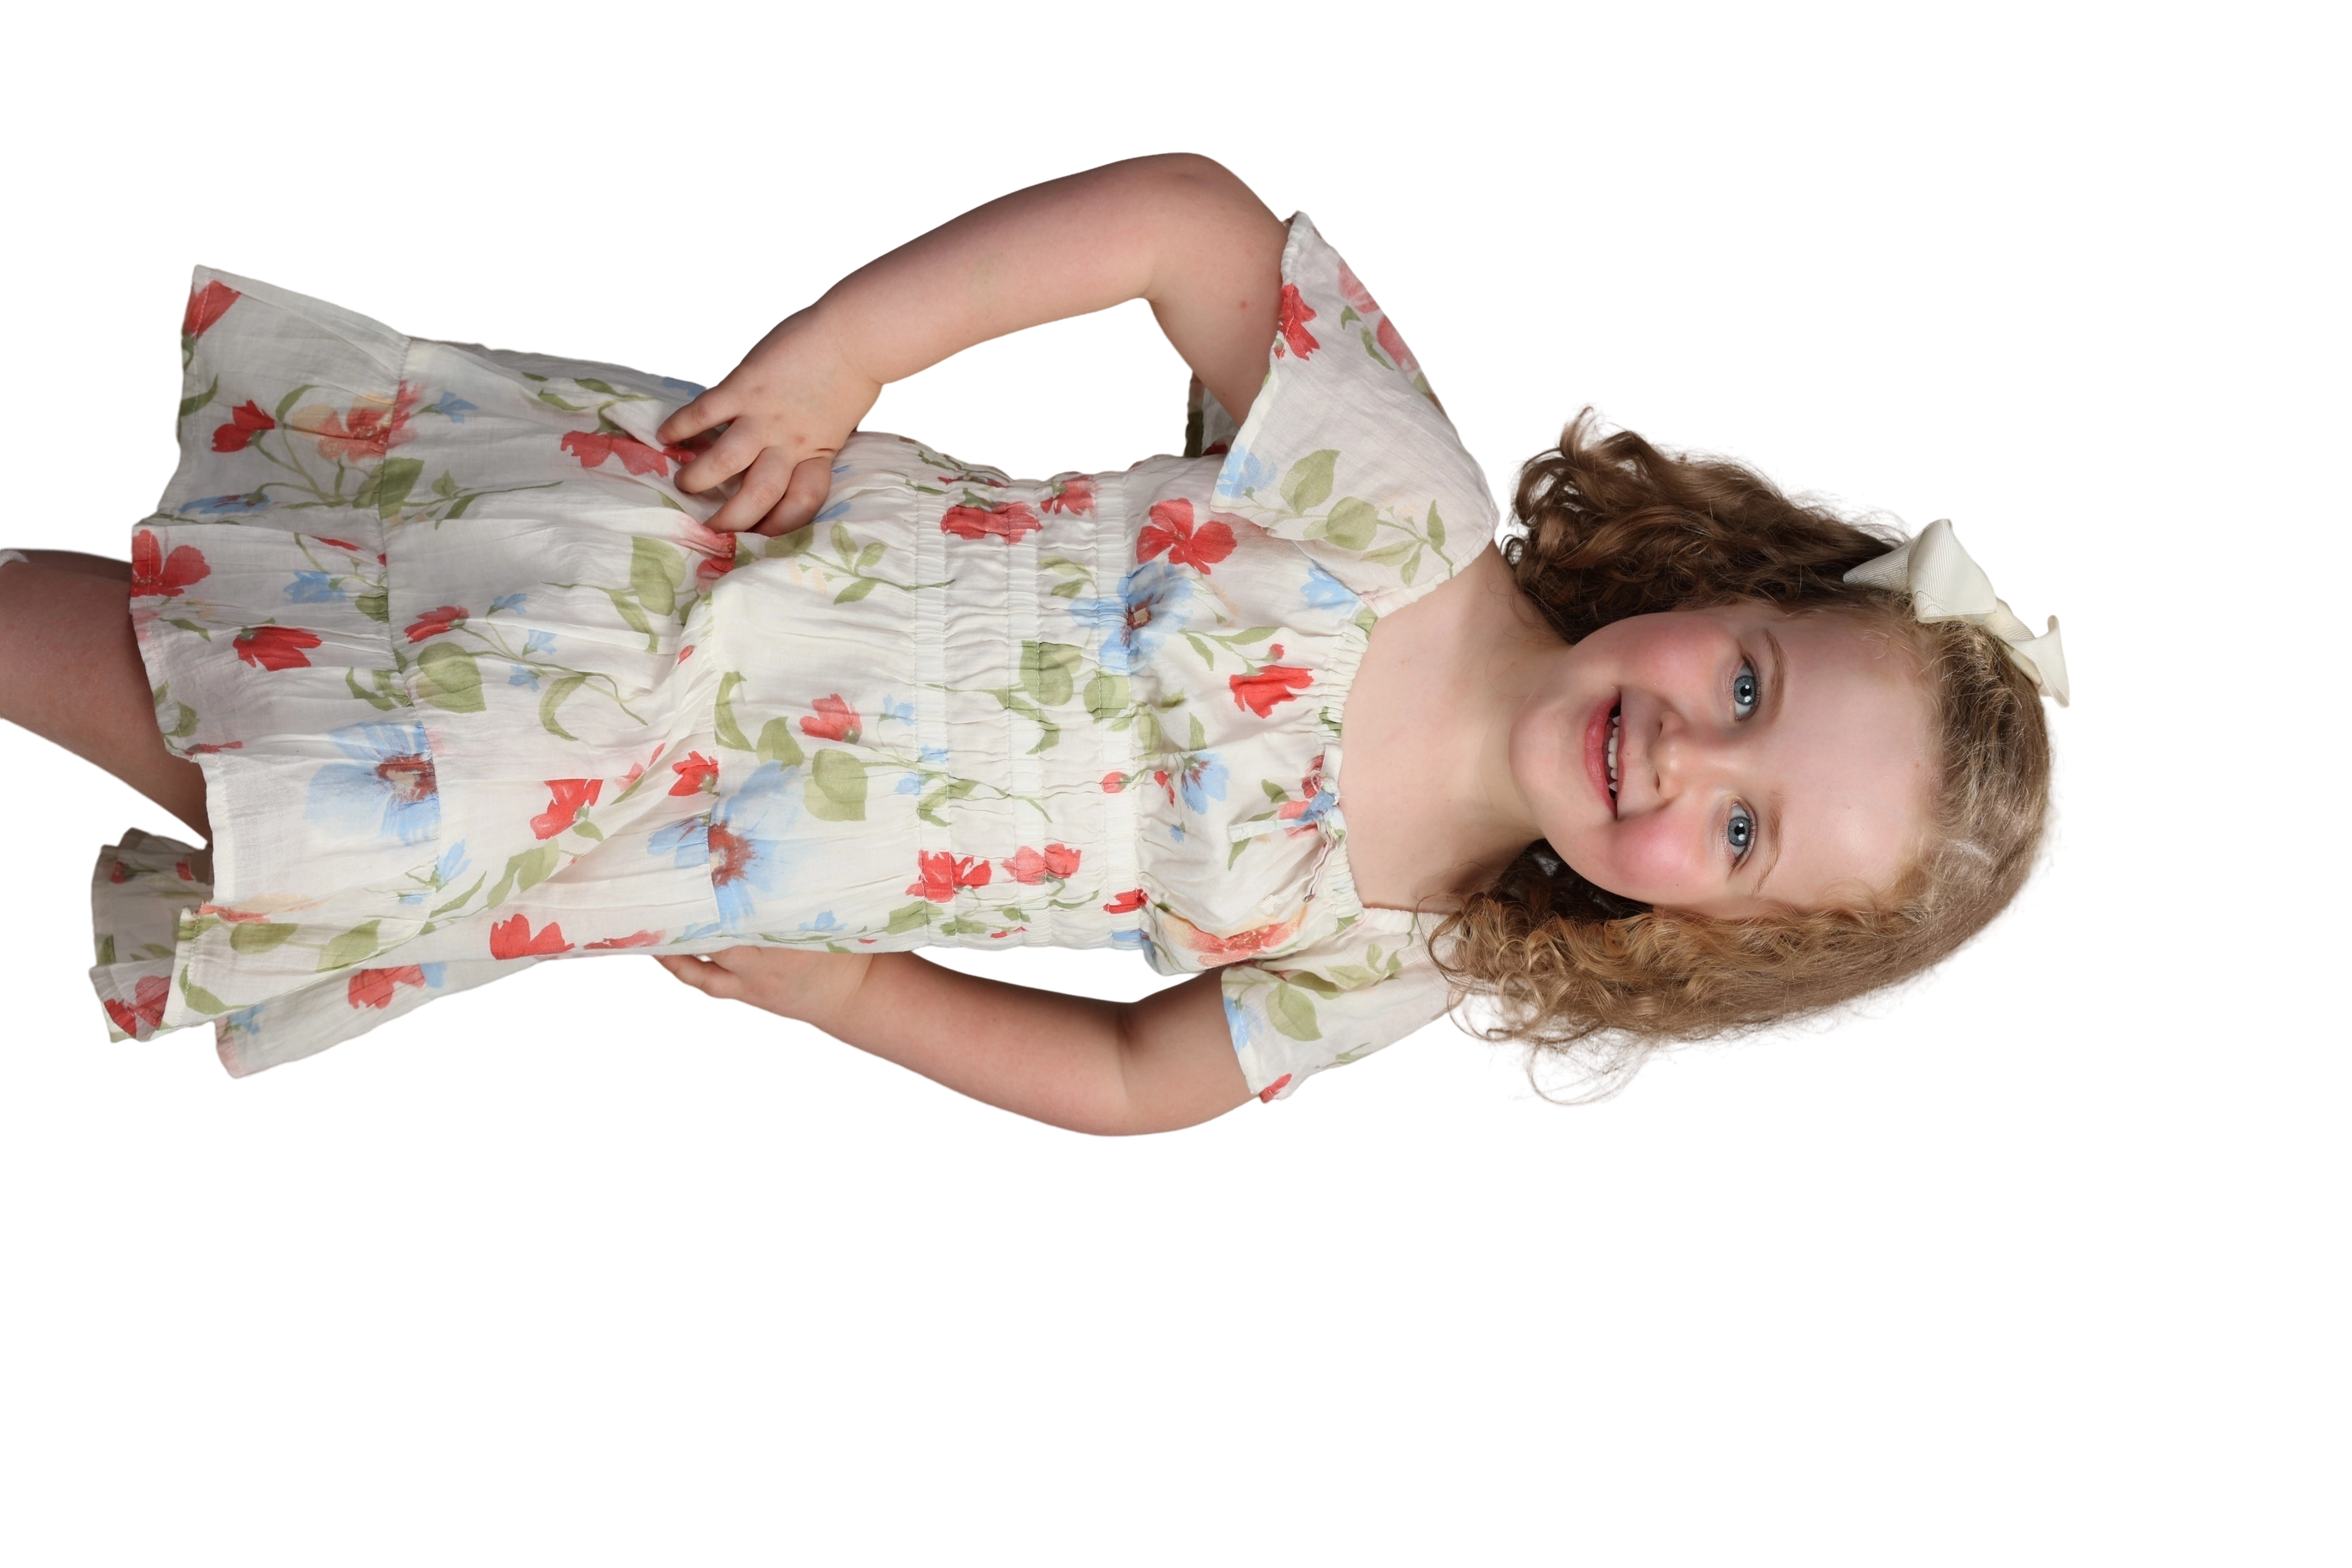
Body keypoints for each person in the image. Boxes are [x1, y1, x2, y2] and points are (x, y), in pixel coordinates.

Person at [1, 152, 2068, 1134]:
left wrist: (853, 991)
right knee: (162, 663)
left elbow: (1136, 1078)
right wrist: (842, 359)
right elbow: (1190, 222)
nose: (1689, 758)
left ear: (1710, 937)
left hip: (642, 823)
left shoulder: (1399, 949)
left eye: (1740, 834)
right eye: (1749, 690)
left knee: (198, 728)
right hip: (680, 568)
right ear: (1731, 587)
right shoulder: (1405, 507)